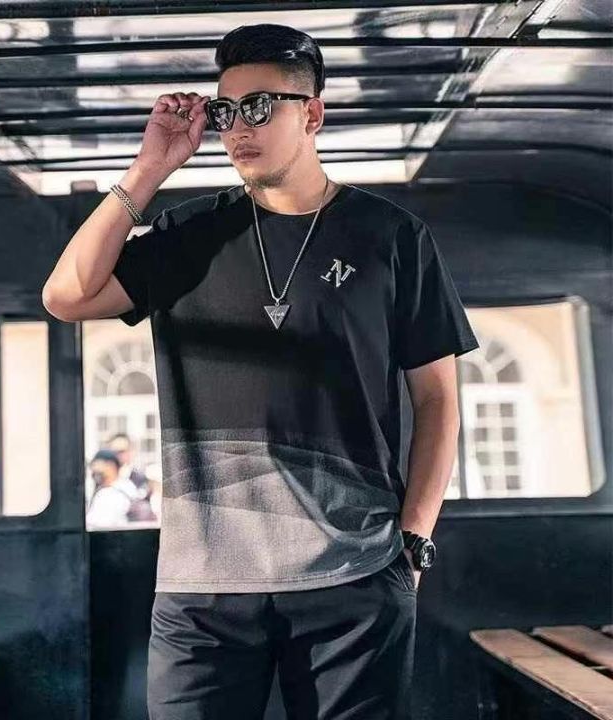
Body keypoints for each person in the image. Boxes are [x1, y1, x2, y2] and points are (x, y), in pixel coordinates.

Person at [43, 22, 480, 720]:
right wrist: (149, 170)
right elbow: (65, 296)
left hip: (356, 575)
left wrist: (415, 541)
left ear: (312, 114)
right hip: (203, 585)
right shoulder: (188, 235)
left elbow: (438, 402)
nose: (238, 127)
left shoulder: (392, 237)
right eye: (225, 111)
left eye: (259, 107)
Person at [86, 448, 140, 528]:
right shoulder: (127, 485)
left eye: (97, 467)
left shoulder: (110, 493)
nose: (94, 473)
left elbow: (100, 524)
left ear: (111, 465)